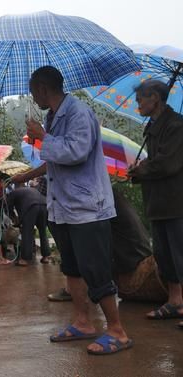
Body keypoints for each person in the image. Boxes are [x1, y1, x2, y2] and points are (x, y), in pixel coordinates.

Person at [15, 65, 131, 355]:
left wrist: (42, 135)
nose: (34, 98)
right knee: (73, 267)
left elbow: (76, 152)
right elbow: (55, 157)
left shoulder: (78, 113)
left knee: (95, 269)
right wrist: (26, 176)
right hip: (63, 207)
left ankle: (117, 331)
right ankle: (83, 322)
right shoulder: (54, 116)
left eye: (33, 92)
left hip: (86, 207)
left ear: (42, 88)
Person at [127, 79, 183, 327]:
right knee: (165, 255)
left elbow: (167, 163)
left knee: (180, 254)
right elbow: (155, 163)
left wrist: (141, 170)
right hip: (158, 203)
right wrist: (138, 170)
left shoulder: (176, 126)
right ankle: (175, 301)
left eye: (141, 99)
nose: (137, 104)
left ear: (155, 99)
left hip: (176, 202)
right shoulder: (153, 127)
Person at [6, 184, 51, 265]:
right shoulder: (30, 189)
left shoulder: (12, 193)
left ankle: (24, 260)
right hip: (44, 205)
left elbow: (8, 208)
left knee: (27, 232)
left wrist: (14, 219)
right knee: (43, 232)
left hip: (31, 207)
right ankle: (46, 257)